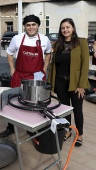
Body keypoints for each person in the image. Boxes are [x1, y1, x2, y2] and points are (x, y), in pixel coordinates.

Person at [0, 14, 52, 137]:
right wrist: (12, 69)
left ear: (38, 25)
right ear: (24, 26)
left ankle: (32, 127)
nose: (31, 27)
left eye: (33, 24)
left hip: (37, 76)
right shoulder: (17, 38)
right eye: (28, 25)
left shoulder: (44, 39)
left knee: (36, 102)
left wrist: (44, 69)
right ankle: (11, 126)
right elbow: (9, 53)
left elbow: (48, 54)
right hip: (20, 75)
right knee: (13, 101)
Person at [48, 18, 89, 147]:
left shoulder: (81, 42)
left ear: (73, 28)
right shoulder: (57, 44)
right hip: (60, 82)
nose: (65, 30)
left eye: (68, 27)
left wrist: (82, 85)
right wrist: (51, 84)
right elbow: (53, 66)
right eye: (63, 28)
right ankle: (68, 131)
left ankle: (79, 134)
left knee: (77, 110)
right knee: (64, 110)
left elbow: (85, 65)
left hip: (76, 84)